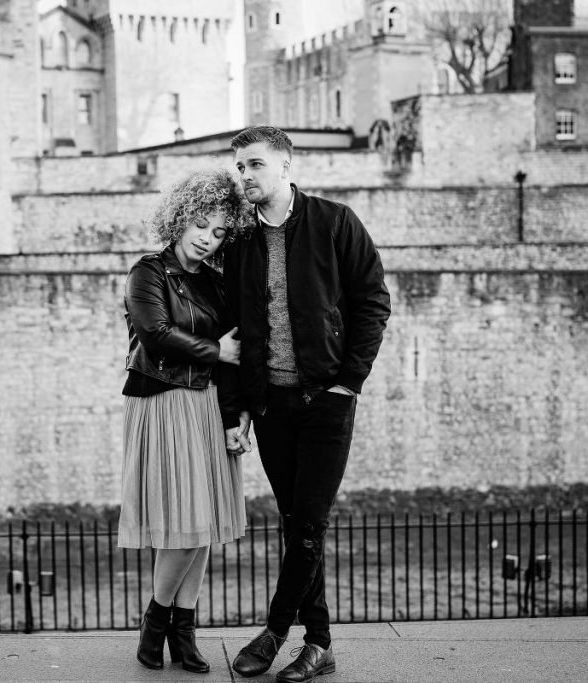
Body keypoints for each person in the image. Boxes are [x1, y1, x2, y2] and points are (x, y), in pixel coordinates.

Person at [222, 127, 391, 682]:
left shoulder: (334, 221)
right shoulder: (241, 239)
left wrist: (350, 382)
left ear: (286, 164)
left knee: (309, 526)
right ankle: (319, 644)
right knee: (296, 524)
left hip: (326, 401)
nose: (244, 175)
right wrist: (243, 406)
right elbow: (235, 328)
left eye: (253, 164)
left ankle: (274, 634)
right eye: (238, 166)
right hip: (273, 405)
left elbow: (372, 301)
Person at [117, 167, 250, 673]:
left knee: (205, 523)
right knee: (183, 528)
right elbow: (155, 334)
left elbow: (234, 357)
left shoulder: (217, 283)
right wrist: (217, 349)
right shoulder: (147, 273)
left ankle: (182, 632)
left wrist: (236, 417)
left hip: (207, 404)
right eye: (201, 224)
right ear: (180, 217)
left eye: (219, 232)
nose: (207, 238)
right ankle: (158, 624)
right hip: (164, 401)